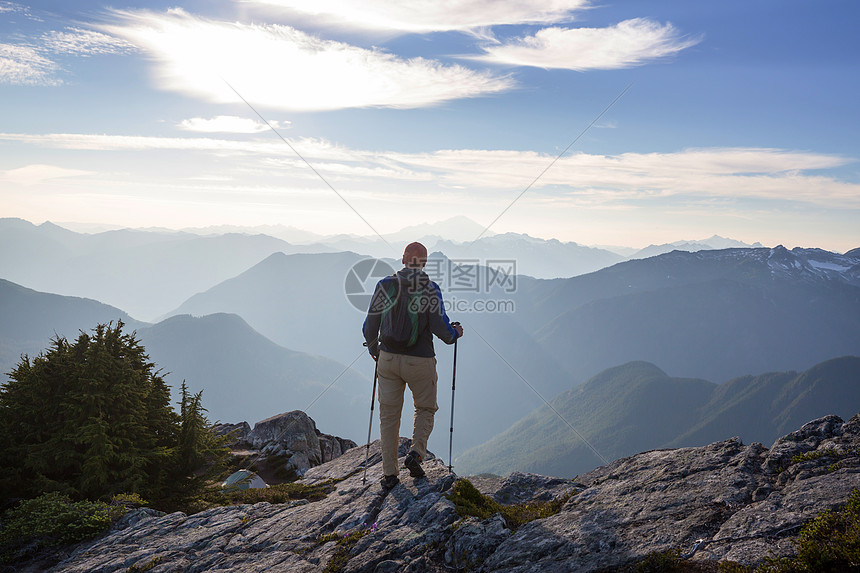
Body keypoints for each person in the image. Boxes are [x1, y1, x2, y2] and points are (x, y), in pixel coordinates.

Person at [362, 242, 463, 489]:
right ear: (425, 263)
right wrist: (455, 334)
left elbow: (369, 327)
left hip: (387, 359)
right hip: (420, 360)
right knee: (425, 408)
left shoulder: (384, 285)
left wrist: (376, 351)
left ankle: (389, 475)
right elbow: (441, 329)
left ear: (403, 258)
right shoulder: (430, 289)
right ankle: (415, 454)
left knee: (388, 416)